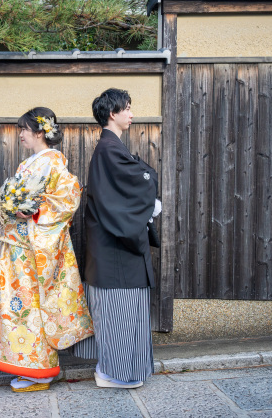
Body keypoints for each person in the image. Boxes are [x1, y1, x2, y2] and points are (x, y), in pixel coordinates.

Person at [0, 107, 93, 393]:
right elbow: (17, 202)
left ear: (39, 132)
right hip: (17, 246)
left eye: (24, 129)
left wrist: (29, 211)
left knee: (29, 306)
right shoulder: (27, 165)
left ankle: (40, 370)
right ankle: (28, 365)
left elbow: (66, 200)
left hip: (30, 249)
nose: (20, 134)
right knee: (16, 307)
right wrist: (3, 209)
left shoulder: (53, 162)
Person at [72, 88, 161, 389]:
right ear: (113, 113)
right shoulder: (109, 150)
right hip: (115, 252)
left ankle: (110, 369)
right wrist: (149, 204)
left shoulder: (110, 149)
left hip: (110, 250)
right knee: (118, 315)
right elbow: (137, 184)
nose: (132, 113)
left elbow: (132, 183)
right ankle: (114, 373)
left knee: (117, 315)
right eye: (128, 108)